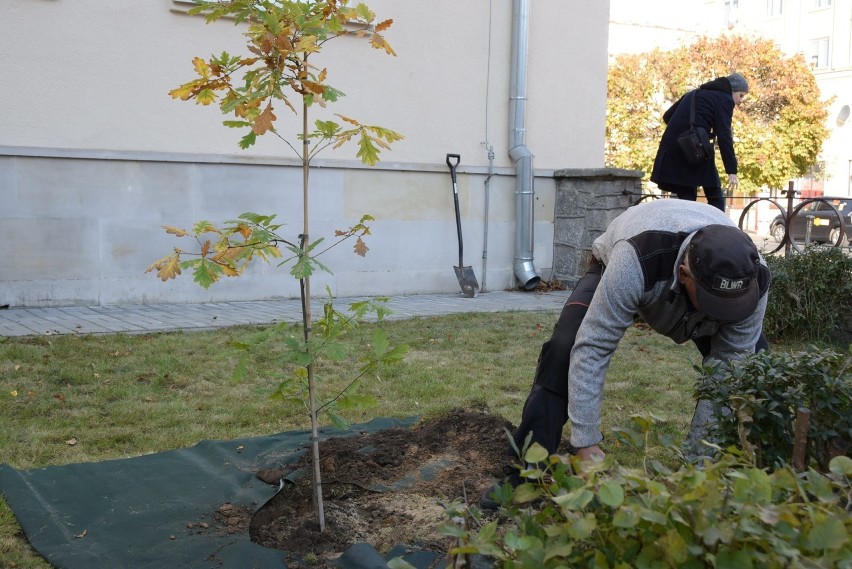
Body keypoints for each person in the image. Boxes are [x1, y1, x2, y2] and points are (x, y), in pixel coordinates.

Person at [482, 199, 770, 509]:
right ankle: (526, 474)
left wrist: (697, 468)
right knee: (564, 348)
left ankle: (762, 475)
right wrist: (585, 441)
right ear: (685, 274)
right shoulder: (636, 258)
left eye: (731, 306)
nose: (726, 313)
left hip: (692, 282)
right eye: (716, 304)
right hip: (623, 261)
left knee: (757, 368)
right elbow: (593, 347)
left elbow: (728, 369)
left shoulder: (754, 277)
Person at [650, 72, 749, 212]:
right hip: (696, 148)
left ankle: (685, 231)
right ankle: (717, 229)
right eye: (741, 95)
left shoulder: (693, 94)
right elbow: (724, 135)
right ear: (731, 90)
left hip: (674, 149)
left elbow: (667, 116)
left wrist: (691, 127)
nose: (740, 101)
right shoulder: (724, 99)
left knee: (687, 198)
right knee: (715, 195)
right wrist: (731, 170)